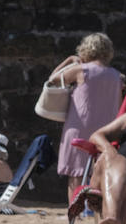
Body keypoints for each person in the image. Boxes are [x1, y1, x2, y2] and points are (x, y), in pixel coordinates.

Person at [48, 33, 121, 205]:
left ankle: (76, 212)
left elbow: (52, 80)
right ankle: (98, 210)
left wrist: (69, 60)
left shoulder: (81, 70)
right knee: (101, 170)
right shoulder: (117, 76)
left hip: (80, 124)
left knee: (76, 171)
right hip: (106, 129)